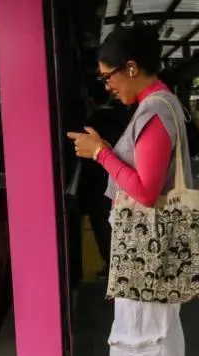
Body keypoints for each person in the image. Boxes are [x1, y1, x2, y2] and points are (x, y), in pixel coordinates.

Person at [67, 22, 191, 356]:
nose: (108, 86)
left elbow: (145, 192)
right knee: (148, 349)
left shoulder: (154, 112)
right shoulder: (157, 106)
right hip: (148, 254)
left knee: (144, 352)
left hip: (147, 253)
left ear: (132, 68)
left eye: (109, 76)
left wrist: (100, 153)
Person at [79, 83, 127, 280]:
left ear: (90, 100)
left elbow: (84, 158)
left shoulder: (89, 124)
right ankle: (125, 263)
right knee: (121, 222)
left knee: (102, 224)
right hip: (122, 179)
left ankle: (111, 265)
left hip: (97, 183)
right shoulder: (124, 119)